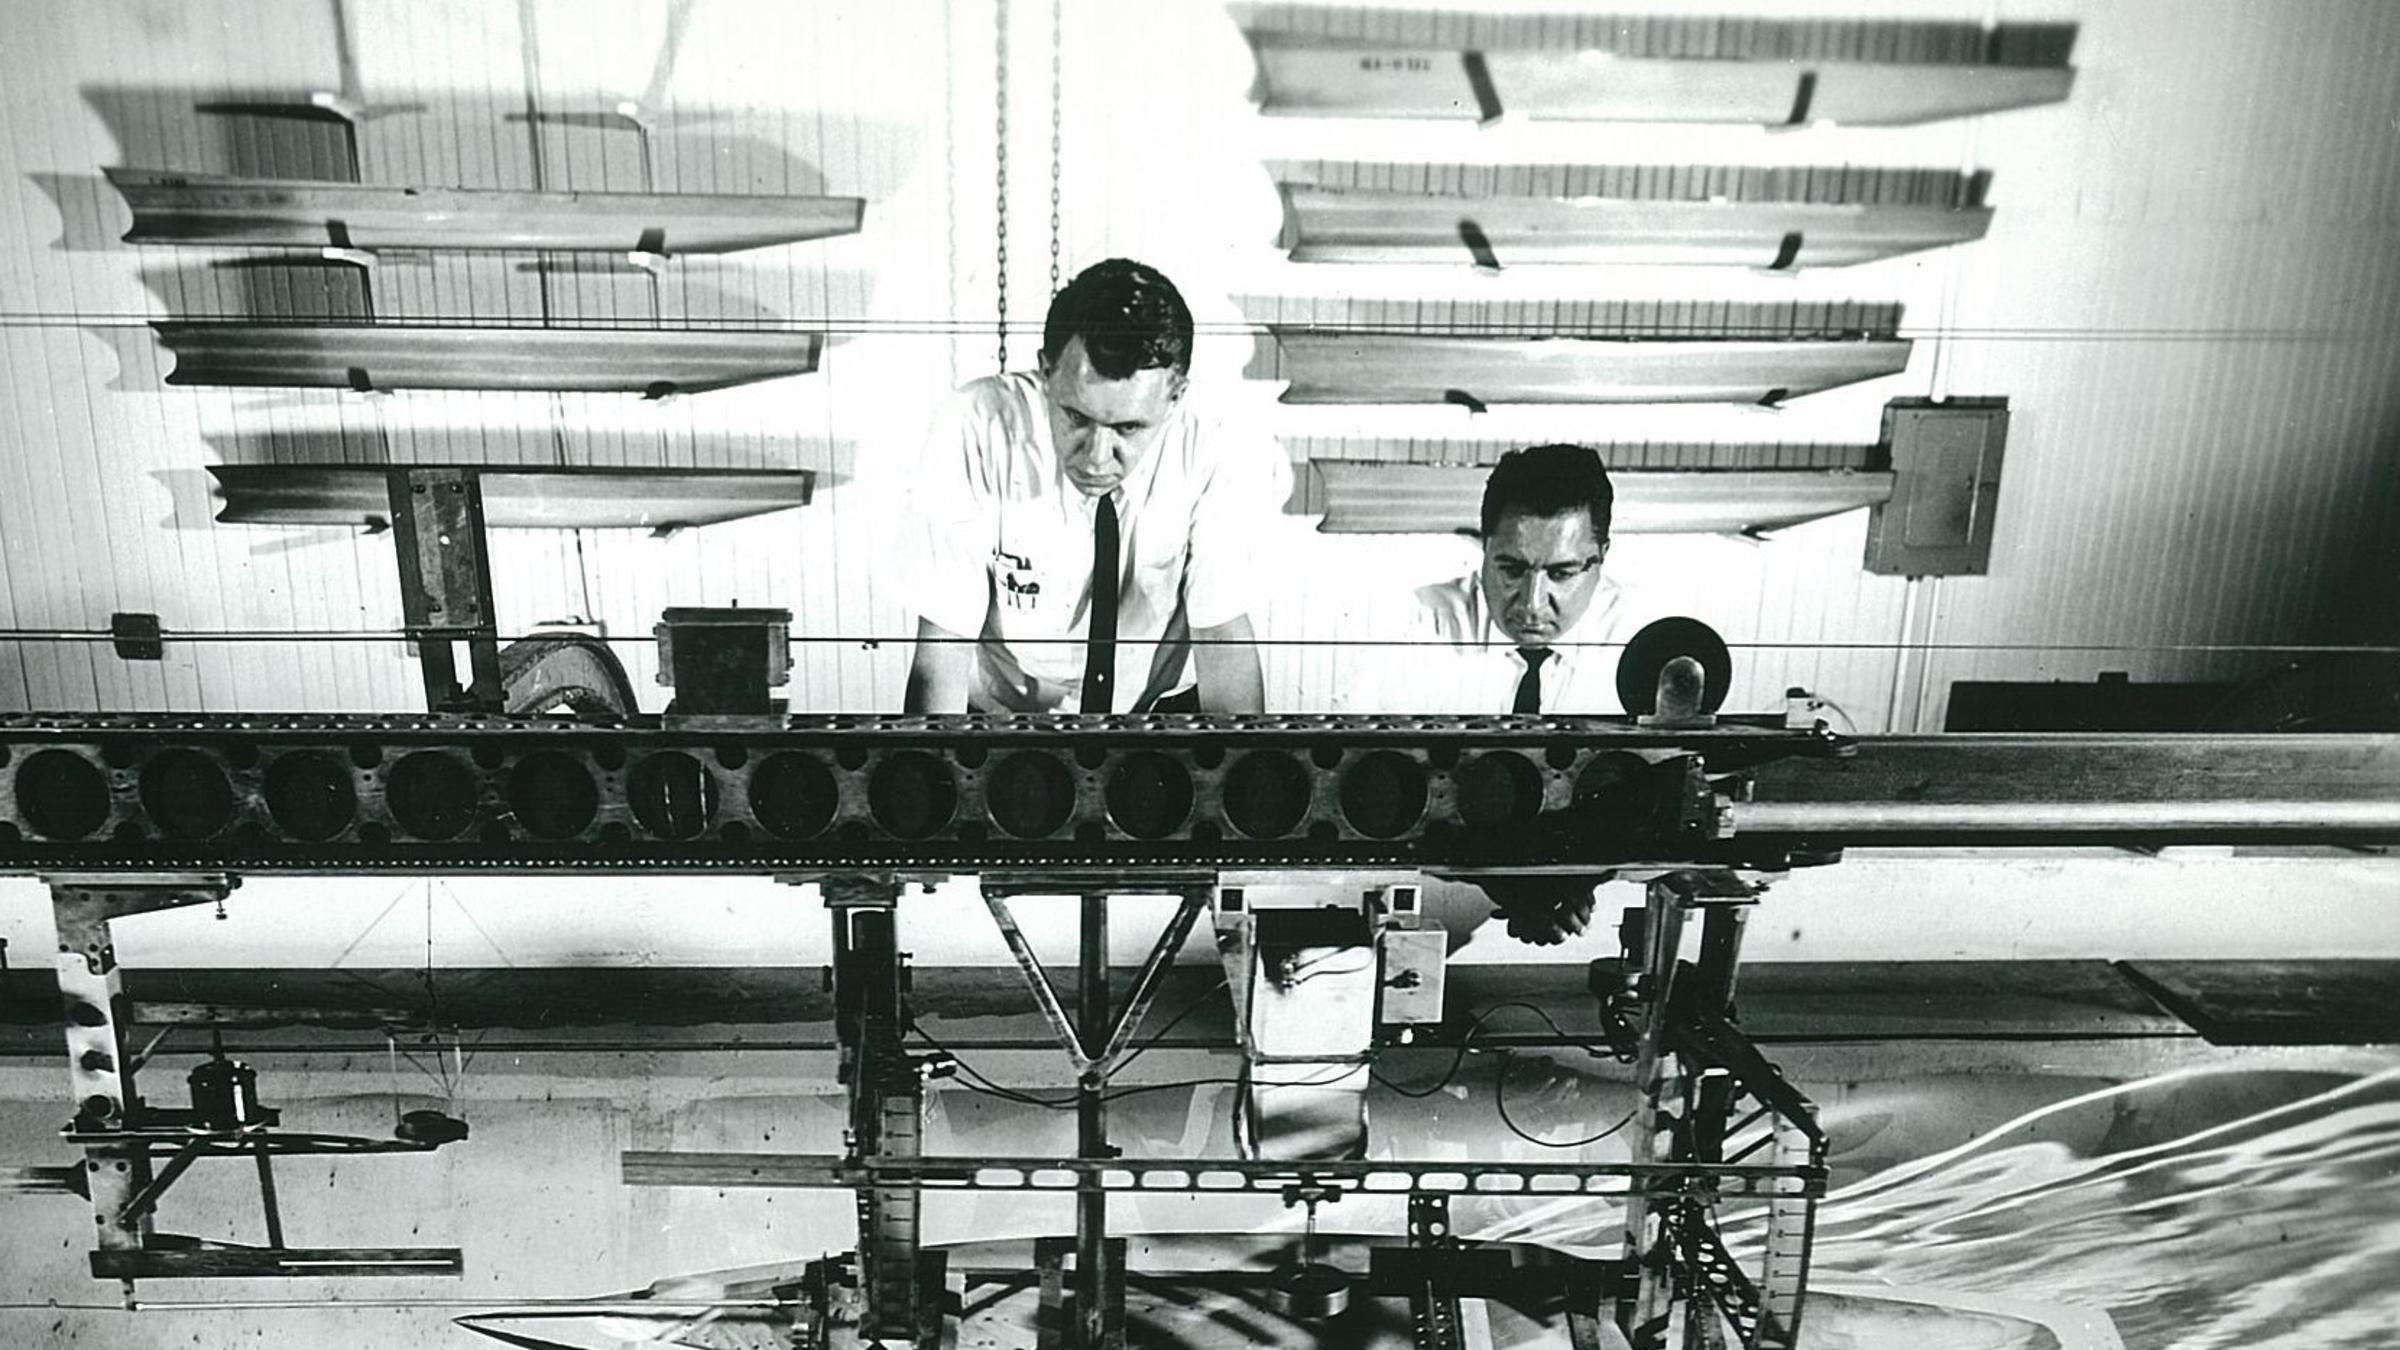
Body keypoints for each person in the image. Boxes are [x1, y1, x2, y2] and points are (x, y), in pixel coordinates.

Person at [903, 259, 1290, 714]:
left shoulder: (1221, 440)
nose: (1096, 457)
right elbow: (940, 653)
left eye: (1128, 427)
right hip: (1005, 712)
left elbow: (1223, 640)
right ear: (1046, 372)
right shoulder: (974, 426)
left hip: (1156, 709)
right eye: (1076, 418)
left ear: (1175, 396)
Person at [1402, 444, 1644, 944]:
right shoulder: (1419, 623)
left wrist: (1566, 886)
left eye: (1561, 573)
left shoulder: (1646, 642)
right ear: (1483, 546)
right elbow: (1382, 798)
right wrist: (1516, 892)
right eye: (1511, 568)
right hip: (1437, 899)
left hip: (1590, 911)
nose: (1532, 605)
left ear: (1602, 558)